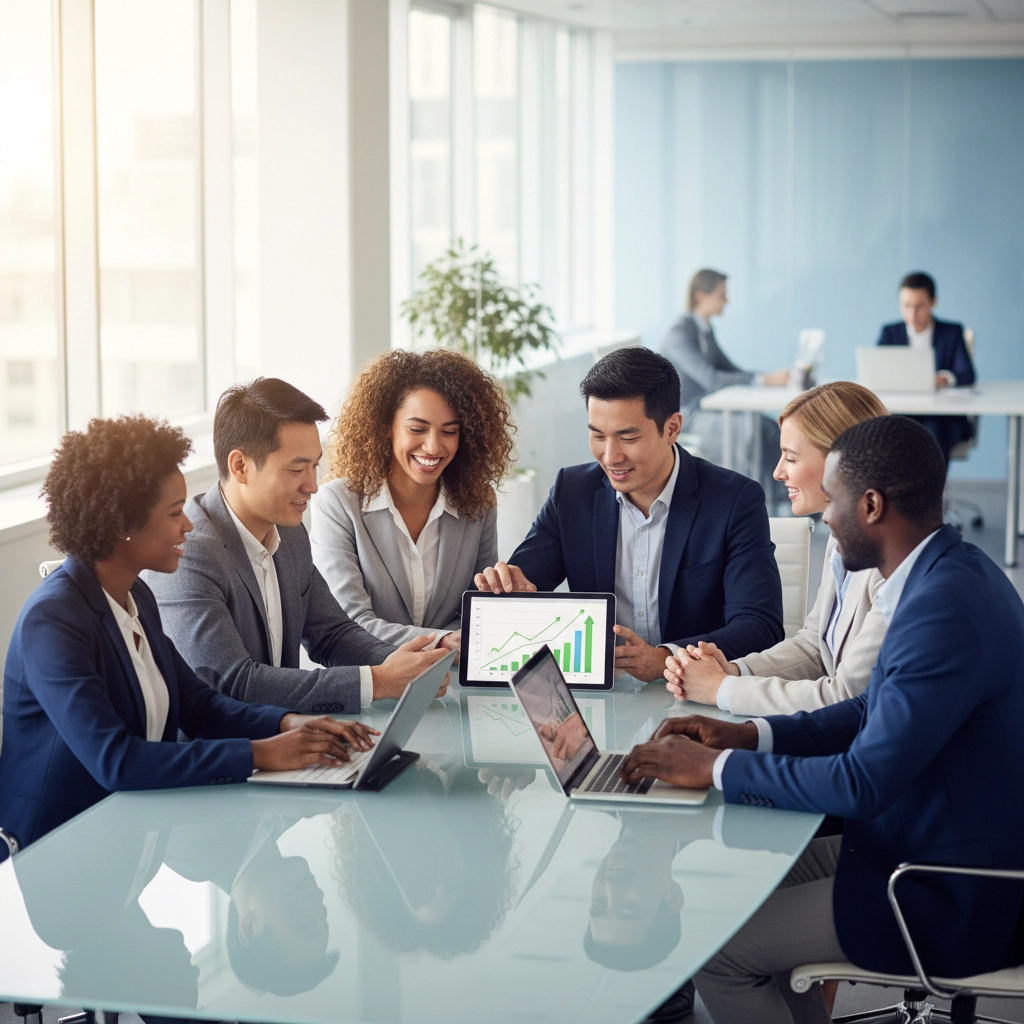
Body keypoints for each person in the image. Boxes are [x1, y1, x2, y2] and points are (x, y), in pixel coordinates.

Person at [619, 415, 1024, 1023]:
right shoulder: (947, 574)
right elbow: (868, 710)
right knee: (737, 885)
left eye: (831, 502)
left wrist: (716, 768)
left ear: (870, 505)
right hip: (917, 836)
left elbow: (861, 783)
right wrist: (749, 733)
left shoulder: (942, 611)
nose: (824, 518)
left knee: (717, 952)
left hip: (946, 882)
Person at [0, 415, 379, 854]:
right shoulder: (53, 621)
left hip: (127, 837)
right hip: (56, 851)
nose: (187, 526)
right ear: (123, 521)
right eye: (175, 513)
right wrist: (262, 754)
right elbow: (116, 760)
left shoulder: (134, 594)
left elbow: (196, 703)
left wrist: (288, 723)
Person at [475, 347, 784, 682]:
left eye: (628, 437)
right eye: (597, 435)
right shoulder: (572, 492)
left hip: (694, 694)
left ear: (672, 428)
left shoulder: (734, 500)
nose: (610, 457)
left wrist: (666, 657)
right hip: (604, 697)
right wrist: (509, 591)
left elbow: (759, 625)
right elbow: (525, 583)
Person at [146, 378, 451, 715]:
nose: (312, 486)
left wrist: (406, 663)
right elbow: (234, 683)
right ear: (240, 466)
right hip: (222, 755)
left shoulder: (288, 532)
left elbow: (331, 633)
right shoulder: (191, 551)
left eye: (315, 466)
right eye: (296, 469)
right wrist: (378, 681)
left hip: (286, 739)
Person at [663, 381, 890, 716]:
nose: (778, 472)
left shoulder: (893, 564)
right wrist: (733, 671)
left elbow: (847, 696)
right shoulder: (842, 535)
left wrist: (721, 689)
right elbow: (816, 646)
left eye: (791, 458)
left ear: (842, 463)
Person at [310, 349, 514, 649]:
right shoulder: (337, 503)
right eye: (417, 429)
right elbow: (349, 623)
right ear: (386, 428)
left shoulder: (478, 503)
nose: (433, 446)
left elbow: (477, 609)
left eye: (449, 431)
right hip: (373, 682)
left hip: (452, 682)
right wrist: (442, 642)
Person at [659, 268, 790, 493]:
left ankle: (780, 501)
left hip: (706, 410)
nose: (727, 301)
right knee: (753, 431)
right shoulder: (678, 334)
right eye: (721, 295)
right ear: (701, 296)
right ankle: (756, 502)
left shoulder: (704, 330)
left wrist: (765, 379)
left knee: (770, 428)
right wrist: (762, 379)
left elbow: (728, 368)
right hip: (687, 416)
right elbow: (711, 379)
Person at [877, 270, 976, 463]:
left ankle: (930, 492)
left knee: (933, 436)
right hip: (901, 413)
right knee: (887, 437)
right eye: (906, 306)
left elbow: (967, 373)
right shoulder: (890, 333)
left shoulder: (952, 332)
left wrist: (944, 378)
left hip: (941, 417)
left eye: (919, 306)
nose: (912, 314)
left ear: (933, 302)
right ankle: (896, 492)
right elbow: (879, 371)